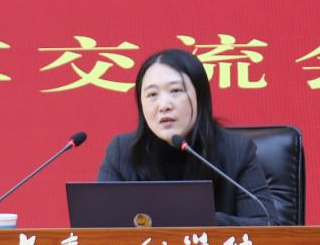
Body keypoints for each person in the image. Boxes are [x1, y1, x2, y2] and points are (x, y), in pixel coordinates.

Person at [97, 48, 283, 226]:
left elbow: (267, 225)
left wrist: (201, 221)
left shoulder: (237, 151)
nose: (164, 105)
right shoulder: (122, 152)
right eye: (152, 94)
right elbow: (96, 228)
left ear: (200, 97)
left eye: (176, 91)